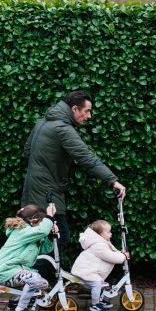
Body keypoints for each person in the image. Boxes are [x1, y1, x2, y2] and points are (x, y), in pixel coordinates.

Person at [21, 91, 126, 259]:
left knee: (38, 239)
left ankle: (32, 278)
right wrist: (112, 181)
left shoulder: (42, 122)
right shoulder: (62, 129)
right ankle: (32, 278)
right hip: (46, 193)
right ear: (75, 109)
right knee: (59, 236)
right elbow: (86, 157)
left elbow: (28, 152)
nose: (89, 116)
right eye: (87, 111)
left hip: (33, 188)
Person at [0, 204, 57, 311]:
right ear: (34, 221)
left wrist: (50, 236)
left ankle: (16, 304)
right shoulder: (22, 231)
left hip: (14, 270)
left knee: (41, 283)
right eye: (42, 222)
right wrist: (50, 217)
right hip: (7, 271)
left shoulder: (28, 232)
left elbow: (44, 249)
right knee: (36, 280)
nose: (42, 226)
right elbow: (42, 230)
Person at [70, 220, 129, 311]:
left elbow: (111, 253)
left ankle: (99, 300)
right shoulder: (98, 246)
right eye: (109, 232)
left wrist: (120, 253)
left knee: (100, 282)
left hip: (89, 270)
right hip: (85, 271)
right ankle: (95, 304)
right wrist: (124, 257)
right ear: (100, 235)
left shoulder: (102, 243)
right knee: (97, 283)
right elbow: (111, 257)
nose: (111, 234)